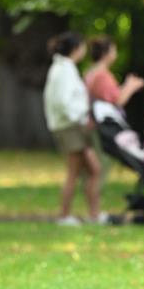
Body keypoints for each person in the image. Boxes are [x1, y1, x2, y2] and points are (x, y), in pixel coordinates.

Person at [44, 32, 106, 225]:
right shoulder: (62, 70)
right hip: (69, 127)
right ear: (75, 49)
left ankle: (94, 214)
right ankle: (64, 216)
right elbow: (63, 101)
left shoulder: (66, 68)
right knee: (74, 171)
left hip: (73, 126)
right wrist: (80, 117)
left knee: (94, 170)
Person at [84, 36, 144, 107]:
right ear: (105, 54)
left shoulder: (90, 72)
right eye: (114, 50)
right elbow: (118, 101)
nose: (116, 54)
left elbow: (113, 94)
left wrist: (127, 84)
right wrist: (131, 86)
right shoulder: (102, 75)